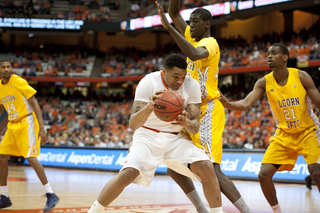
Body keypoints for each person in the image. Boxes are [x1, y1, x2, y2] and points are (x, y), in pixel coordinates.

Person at [87, 54, 223, 213]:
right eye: (176, 76)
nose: (180, 81)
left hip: (175, 137)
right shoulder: (148, 82)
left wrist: (187, 123)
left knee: (206, 165)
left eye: (183, 76)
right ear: (164, 71)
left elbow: (194, 127)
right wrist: (150, 106)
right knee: (128, 173)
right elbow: (133, 125)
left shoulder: (192, 85)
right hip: (147, 135)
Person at [156, 1, 252, 213]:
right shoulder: (191, 36)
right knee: (173, 166)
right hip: (190, 109)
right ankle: (202, 208)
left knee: (213, 171)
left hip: (207, 110)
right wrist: (171, 13)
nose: (190, 25)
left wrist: (169, 28)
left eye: (195, 22)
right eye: (189, 22)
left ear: (207, 24)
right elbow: (174, 12)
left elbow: (194, 54)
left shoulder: (210, 43)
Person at [218, 43, 320, 213]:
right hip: (284, 134)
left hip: (308, 131)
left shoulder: (301, 76)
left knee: (315, 172)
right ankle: (277, 211)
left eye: (274, 53)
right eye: (268, 54)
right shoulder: (263, 82)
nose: (269, 56)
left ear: (285, 57)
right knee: (263, 175)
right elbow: (246, 104)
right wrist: (228, 104)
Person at [0, 60, 60, 211]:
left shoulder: (18, 81)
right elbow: (2, 108)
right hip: (12, 124)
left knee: (31, 158)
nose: (7, 69)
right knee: (2, 158)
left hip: (27, 121)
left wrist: (42, 128)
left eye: (8, 67)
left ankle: (51, 194)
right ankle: (4, 196)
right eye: (3, 67)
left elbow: (35, 103)